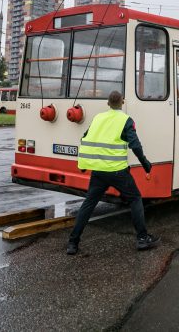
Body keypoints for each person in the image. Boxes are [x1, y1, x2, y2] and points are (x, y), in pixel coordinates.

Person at [66, 90, 160, 255]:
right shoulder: (126, 120)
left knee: (88, 204)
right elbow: (135, 146)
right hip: (118, 171)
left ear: (108, 103)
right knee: (135, 198)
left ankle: (73, 243)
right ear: (122, 103)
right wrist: (145, 164)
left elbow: (86, 138)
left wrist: (84, 164)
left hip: (98, 172)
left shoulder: (98, 118)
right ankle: (142, 238)